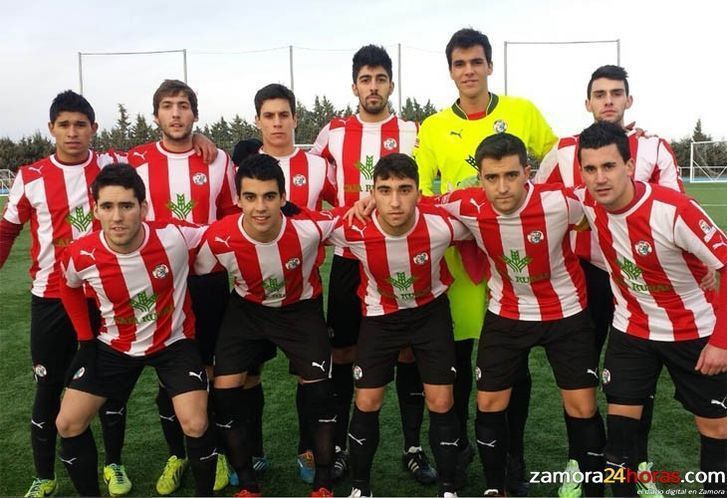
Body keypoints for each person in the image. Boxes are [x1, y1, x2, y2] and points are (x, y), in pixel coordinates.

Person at [413, 27, 558, 494]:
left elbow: (558, 158)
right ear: (451, 71)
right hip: (457, 261)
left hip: (510, 260)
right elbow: (414, 182)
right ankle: (456, 450)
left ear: (490, 66)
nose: (468, 71)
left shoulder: (521, 111)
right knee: (453, 361)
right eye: (459, 63)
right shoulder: (434, 127)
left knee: (510, 365)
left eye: (476, 61)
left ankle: (512, 456)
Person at [533, 66, 685, 496]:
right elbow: (537, 207)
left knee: (640, 377)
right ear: (587, 103)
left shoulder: (654, 149)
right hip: (587, 276)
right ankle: (581, 463)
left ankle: (638, 465)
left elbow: (673, 206)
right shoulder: (563, 151)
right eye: (599, 94)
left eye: (616, 93)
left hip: (642, 280)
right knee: (579, 376)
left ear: (628, 100)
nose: (608, 101)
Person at [434, 133, 605, 497]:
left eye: (511, 175)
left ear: (528, 173)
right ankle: (497, 488)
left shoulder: (562, 201)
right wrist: (368, 200)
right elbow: (422, 205)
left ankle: (591, 490)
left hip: (566, 313)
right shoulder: (467, 204)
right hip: (507, 313)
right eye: (491, 178)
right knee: (488, 402)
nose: (502, 187)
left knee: (582, 406)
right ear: (479, 178)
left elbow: (612, 205)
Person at [574, 121, 727, 496]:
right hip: (632, 331)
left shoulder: (674, 210)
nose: (599, 178)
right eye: (590, 169)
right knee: (620, 439)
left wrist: (722, 341)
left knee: (717, 431)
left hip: (694, 332)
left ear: (629, 167)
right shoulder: (585, 202)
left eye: (608, 166)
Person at [310, 44, 434, 484]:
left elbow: (428, 182)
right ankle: (342, 447)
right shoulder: (333, 132)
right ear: (354, 86)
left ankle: (413, 446)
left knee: (406, 350)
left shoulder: (412, 131)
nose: (374, 87)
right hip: (349, 257)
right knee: (343, 351)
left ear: (391, 84)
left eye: (381, 79)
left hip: (399, 255)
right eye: (366, 79)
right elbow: (311, 179)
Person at [56, 164, 217, 497]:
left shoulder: (174, 235)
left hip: (173, 342)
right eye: (108, 206)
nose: (117, 216)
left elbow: (224, 230)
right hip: (113, 345)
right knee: (67, 423)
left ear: (143, 208)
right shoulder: (80, 254)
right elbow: (68, 287)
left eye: (127, 206)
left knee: (196, 423)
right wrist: (85, 340)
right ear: (95, 209)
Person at [0, 90, 131, 498]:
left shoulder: (113, 165)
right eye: (65, 125)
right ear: (51, 128)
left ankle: (113, 465)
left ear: (94, 128)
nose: (73, 132)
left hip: (104, 297)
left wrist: (204, 143)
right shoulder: (31, 176)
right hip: (51, 298)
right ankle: (45, 475)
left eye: (81, 124)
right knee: (48, 385)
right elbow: (7, 232)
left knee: (105, 385)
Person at [195, 153, 339, 498]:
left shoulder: (311, 228)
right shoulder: (219, 237)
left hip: (299, 310)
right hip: (248, 310)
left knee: (320, 393)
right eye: (250, 197)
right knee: (225, 392)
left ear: (283, 197)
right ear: (238, 199)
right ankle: (247, 483)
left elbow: (356, 226)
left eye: (269, 196)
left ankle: (322, 481)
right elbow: (199, 275)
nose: (260, 207)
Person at [329, 153, 466, 498]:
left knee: (441, 400)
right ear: (371, 192)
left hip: (429, 313)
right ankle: (361, 487)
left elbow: (486, 214)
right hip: (381, 316)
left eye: (404, 190)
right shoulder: (352, 227)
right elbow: (302, 225)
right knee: (368, 400)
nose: (394, 201)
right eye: (384, 190)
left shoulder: (443, 224)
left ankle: (448, 488)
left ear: (419, 193)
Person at [126, 79, 238, 495]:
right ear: (156, 115)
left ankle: (214, 452)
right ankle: (178, 454)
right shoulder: (135, 160)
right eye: (168, 106)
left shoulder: (218, 160)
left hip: (207, 279)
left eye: (184, 106)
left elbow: (230, 215)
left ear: (195, 114)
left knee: (207, 370)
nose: (176, 113)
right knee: (166, 373)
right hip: (158, 282)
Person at [236, 83, 338, 484]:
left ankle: (306, 449)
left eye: (284, 115)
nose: (277, 123)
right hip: (252, 295)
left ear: (296, 118)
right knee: (247, 376)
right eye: (268, 115)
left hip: (303, 292)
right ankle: (255, 451)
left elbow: (337, 208)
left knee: (307, 377)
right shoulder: (243, 166)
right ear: (257, 120)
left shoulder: (317, 165)